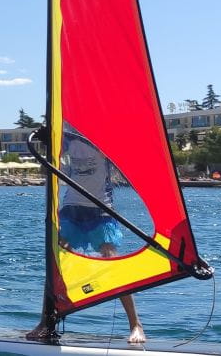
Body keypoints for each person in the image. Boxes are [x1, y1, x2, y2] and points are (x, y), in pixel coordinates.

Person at [28, 133, 146, 344]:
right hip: (72, 210)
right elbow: (45, 170)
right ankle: (46, 322)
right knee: (55, 264)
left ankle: (136, 324)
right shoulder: (67, 140)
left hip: (100, 211)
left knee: (111, 260)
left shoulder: (103, 141)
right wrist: (49, 146)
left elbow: (125, 158)